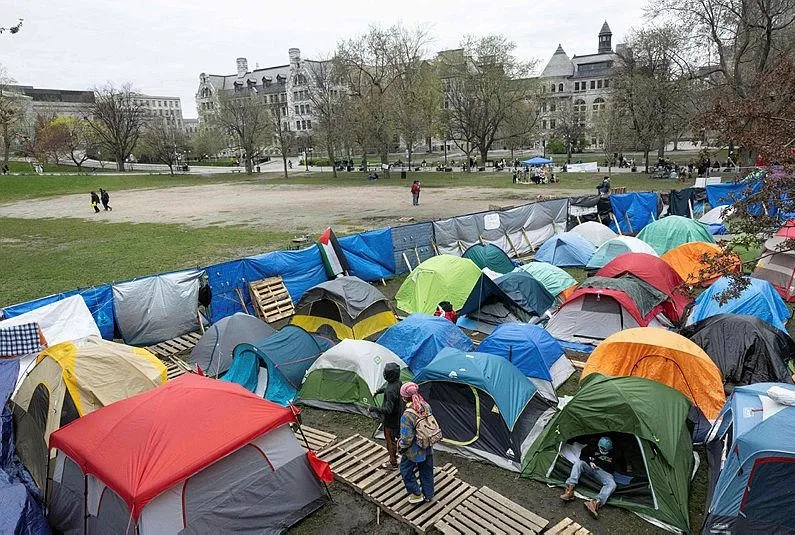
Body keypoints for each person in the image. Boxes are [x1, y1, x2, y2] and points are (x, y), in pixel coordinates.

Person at [560, 436, 617, 519]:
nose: (603, 450)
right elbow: (582, 456)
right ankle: (570, 490)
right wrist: (590, 462)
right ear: (598, 445)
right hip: (590, 467)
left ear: (610, 449)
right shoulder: (592, 446)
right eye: (601, 448)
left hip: (603, 472)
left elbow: (617, 467)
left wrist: (601, 465)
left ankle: (595, 503)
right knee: (579, 463)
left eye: (605, 450)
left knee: (612, 484)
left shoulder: (615, 453)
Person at [398, 382, 434, 504]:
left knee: (405, 470)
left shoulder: (407, 415)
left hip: (414, 450)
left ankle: (416, 493)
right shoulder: (426, 406)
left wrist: (401, 446)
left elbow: (407, 438)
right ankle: (428, 494)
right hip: (427, 445)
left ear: (405, 397)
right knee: (426, 470)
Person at [370, 362, 404, 470]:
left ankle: (393, 462)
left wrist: (374, 409)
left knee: (390, 441)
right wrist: (381, 391)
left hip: (390, 421)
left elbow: (388, 410)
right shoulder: (398, 383)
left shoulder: (390, 390)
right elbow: (393, 390)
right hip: (399, 417)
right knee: (400, 439)